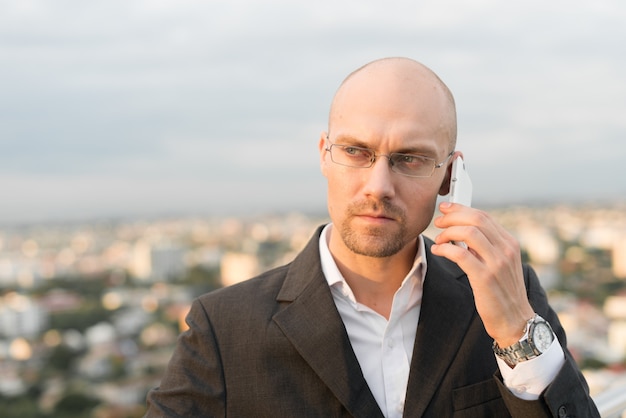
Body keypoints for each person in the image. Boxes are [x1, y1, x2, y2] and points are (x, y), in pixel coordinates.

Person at [145, 57, 600, 417]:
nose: (379, 185)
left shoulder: (508, 294)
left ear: (450, 175)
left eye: (411, 158)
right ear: (324, 155)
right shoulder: (225, 329)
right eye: (356, 151)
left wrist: (516, 332)